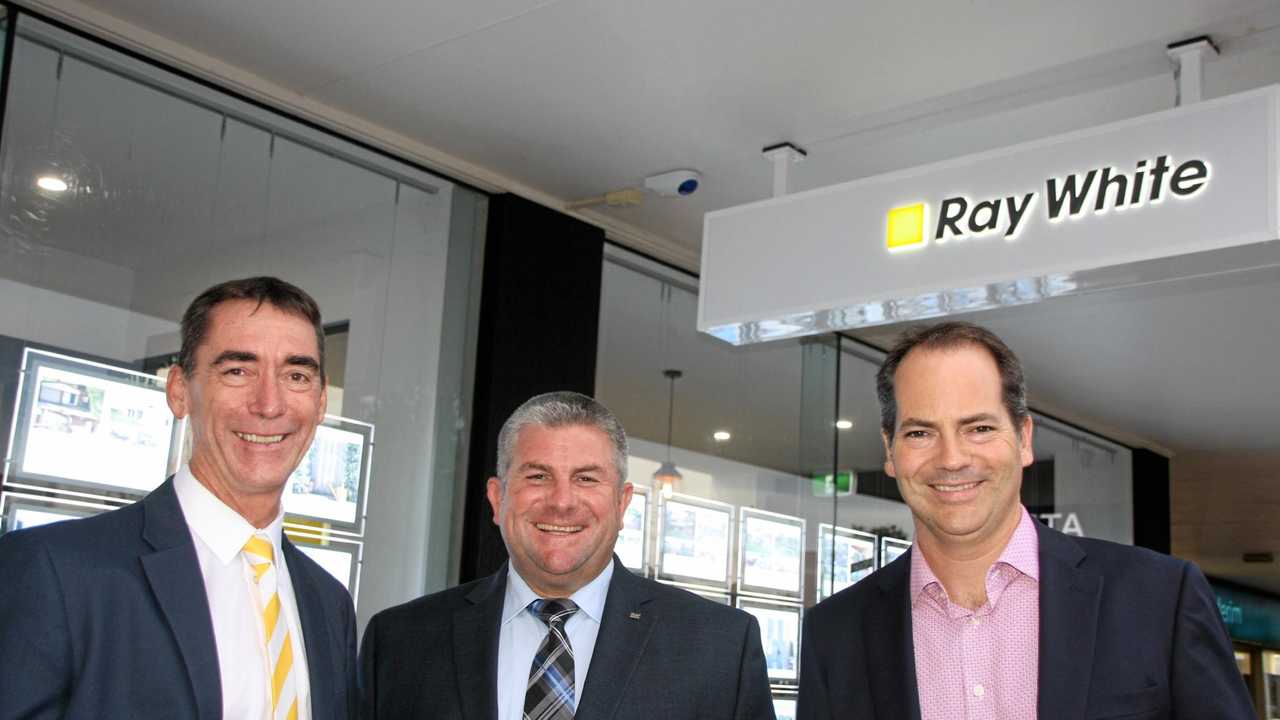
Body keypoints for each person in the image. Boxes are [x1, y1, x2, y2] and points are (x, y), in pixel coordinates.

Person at [797, 321, 1253, 720]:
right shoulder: (835, 635)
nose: (952, 459)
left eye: (979, 428)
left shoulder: (1159, 600)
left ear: (1024, 439)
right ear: (890, 452)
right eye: (920, 433)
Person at [0, 277, 358, 719]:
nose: (269, 404)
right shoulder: (54, 571)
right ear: (179, 391)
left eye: (296, 375)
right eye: (237, 371)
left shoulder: (329, 604)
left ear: (321, 403)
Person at [359, 391, 775, 719]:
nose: (561, 502)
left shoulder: (719, 647)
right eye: (538, 476)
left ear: (622, 503)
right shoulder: (399, 641)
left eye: (586, 478)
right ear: (497, 498)